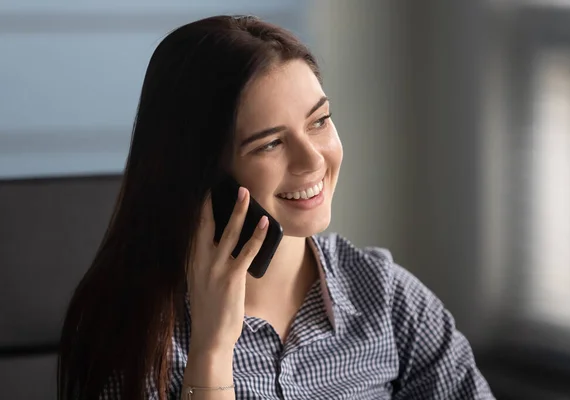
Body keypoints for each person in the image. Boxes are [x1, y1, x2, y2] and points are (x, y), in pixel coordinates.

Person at [57, 15, 495, 400]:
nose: (313, 160)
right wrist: (211, 349)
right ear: (201, 172)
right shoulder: (132, 330)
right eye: (270, 143)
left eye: (319, 121)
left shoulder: (388, 300)